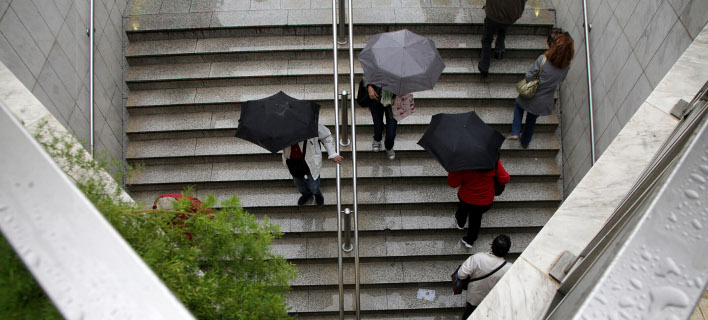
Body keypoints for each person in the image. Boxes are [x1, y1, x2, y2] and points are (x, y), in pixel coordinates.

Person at [510, 33, 574, 148]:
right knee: (531, 121)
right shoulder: (565, 68)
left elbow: (529, 76)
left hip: (530, 95)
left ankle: (515, 131)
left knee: (518, 106)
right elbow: (560, 80)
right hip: (544, 101)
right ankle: (525, 142)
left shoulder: (543, 60)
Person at [449, 159, 510, 248]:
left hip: (466, 198)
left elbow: (453, 183)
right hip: (485, 201)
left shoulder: (462, 161)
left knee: (462, 211)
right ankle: (470, 241)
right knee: (476, 219)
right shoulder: (492, 159)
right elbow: (505, 178)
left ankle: (460, 224)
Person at [282, 123, 343, 206]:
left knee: (314, 186)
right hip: (293, 163)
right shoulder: (282, 127)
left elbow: (326, 137)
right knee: (299, 185)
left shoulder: (312, 124)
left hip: (310, 163)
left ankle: (318, 195)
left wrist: (332, 154)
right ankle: (306, 195)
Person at [457, 234, 513, 318]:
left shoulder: (478, 258)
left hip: (474, 300)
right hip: (493, 305)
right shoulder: (509, 268)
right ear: (507, 251)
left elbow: (461, 275)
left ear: (492, 246)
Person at [478, 0, 527, 78]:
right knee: (503, 28)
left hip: (493, 16)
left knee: (487, 40)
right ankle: (499, 49)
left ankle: (484, 67)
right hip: (511, 17)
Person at [366, 82, 398, 160]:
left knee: (391, 130)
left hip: (394, 101)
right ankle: (377, 139)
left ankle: (389, 146)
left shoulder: (402, 69)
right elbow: (366, 75)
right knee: (378, 124)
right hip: (376, 98)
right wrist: (369, 86)